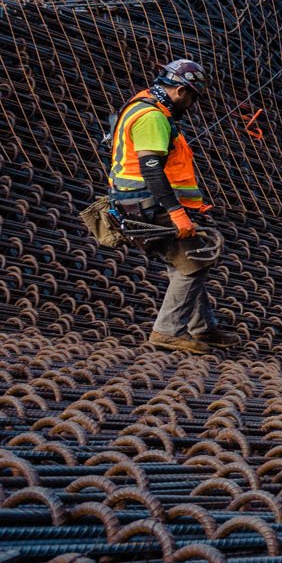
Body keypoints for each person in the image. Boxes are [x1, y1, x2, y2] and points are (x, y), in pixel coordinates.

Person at [104, 58, 226, 353]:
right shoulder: (153, 117)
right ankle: (167, 331)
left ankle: (202, 327)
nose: (192, 105)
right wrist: (177, 213)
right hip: (149, 202)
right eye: (193, 97)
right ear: (181, 91)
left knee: (183, 261)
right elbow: (152, 171)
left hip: (134, 200)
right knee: (194, 262)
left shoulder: (141, 103)